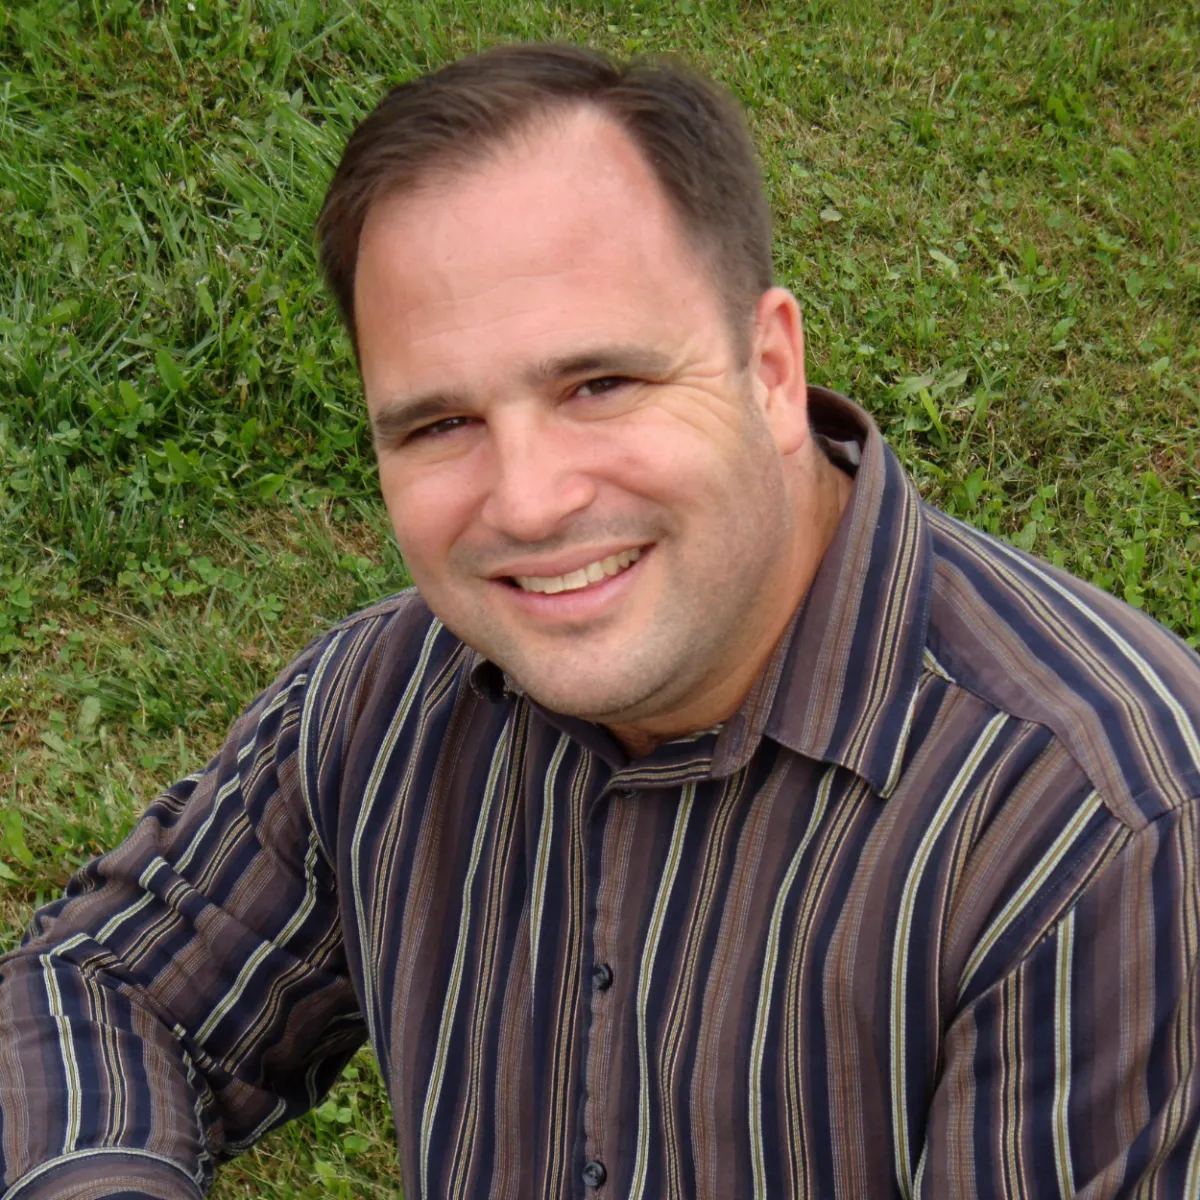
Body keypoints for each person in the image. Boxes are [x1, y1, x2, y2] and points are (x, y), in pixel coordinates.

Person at [2, 42, 1199, 1200]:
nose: (527, 501)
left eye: (599, 385)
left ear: (771, 369)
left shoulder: (1104, 825)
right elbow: (101, 985)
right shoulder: (384, 696)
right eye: (438, 425)